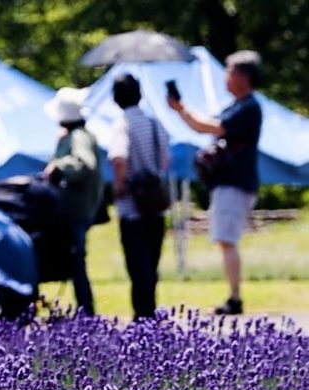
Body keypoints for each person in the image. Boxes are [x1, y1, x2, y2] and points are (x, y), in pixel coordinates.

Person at [168, 50, 263, 315]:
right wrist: (181, 111)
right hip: (229, 183)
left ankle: (235, 298)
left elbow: (210, 127)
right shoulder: (237, 106)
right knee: (225, 239)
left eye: (229, 71)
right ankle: (233, 296)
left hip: (235, 183)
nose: (225, 78)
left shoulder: (248, 107)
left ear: (243, 77)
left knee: (227, 239)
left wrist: (182, 109)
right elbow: (205, 126)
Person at [108, 74, 171, 320]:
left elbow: (118, 156)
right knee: (152, 264)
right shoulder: (154, 124)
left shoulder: (122, 124)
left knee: (137, 265)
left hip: (132, 206)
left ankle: (141, 315)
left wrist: (120, 185)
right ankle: (151, 312)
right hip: (155, 203)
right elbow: (165, 159)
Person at [43, 87, 105, 316]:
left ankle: (87, 312)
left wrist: (58, 166)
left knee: (76, 262)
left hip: (75, 210)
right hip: (78, 209)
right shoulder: (77, 135)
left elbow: (83, 163)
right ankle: (85, 310)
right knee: (75, 262)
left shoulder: (78, 137)